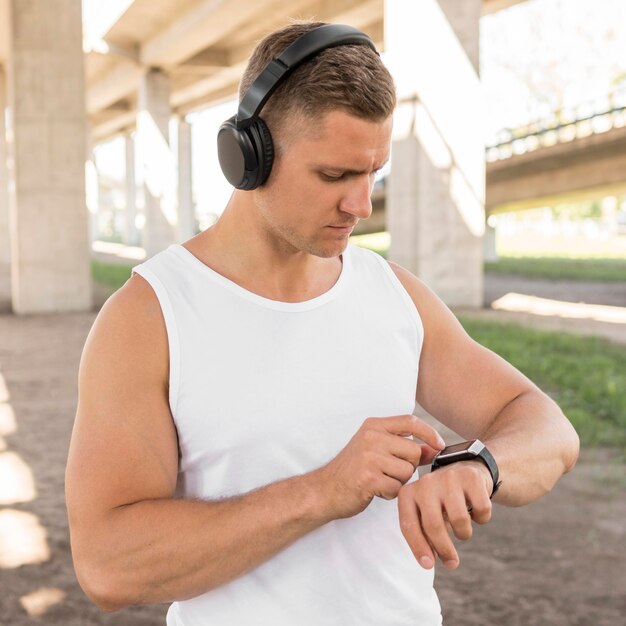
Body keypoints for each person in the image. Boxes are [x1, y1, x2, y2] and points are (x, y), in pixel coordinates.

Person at [65, 21, 579, 626]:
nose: (361, 205)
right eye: (335, 176)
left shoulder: (395, 295)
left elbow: (548, 428)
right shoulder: (150, 318)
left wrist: (482, 467)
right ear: (248, 156)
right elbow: (107, 566)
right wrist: (322, 491)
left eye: (373, 174)